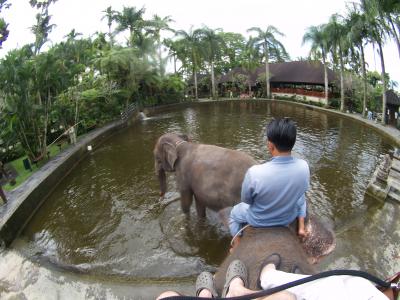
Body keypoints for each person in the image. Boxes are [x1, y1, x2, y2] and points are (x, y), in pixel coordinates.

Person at [229, 118, 309, 250]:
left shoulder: (254, 173)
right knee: (301, 198)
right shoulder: (304, 166)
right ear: (292, 143)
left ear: (270, 145)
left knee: (233, 214)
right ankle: (301, 227)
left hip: (258, 220)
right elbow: (301, 191)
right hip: (287, 218)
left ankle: (237, 245)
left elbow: (247, 200)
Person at [156, 256, 395, 299]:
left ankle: (265, 275)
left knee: (166, 297)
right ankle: (234, 289)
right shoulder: (302, 169)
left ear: (270, 145)